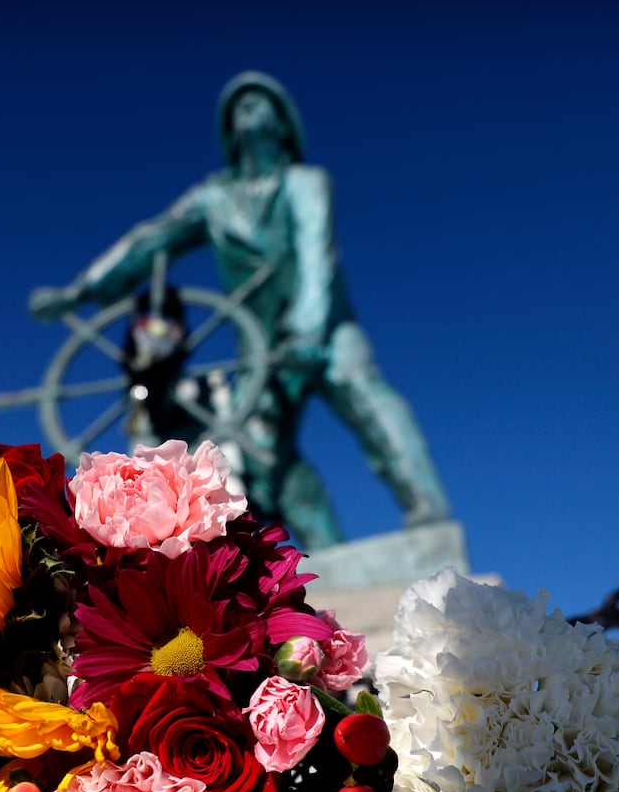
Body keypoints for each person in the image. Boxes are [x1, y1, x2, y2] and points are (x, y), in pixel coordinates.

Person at [30, 71, 450, 550]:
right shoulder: (212, 200)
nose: (249, 108)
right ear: (229, 132)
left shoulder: (305, 183)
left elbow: (317, 255)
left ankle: (428, 512)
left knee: (367, 398)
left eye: (262, 102)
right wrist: (81, 290)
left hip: (325, 330)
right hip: (262, 347)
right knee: (268, 462)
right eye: (239, 106)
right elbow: (149, 240)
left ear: (284, 125)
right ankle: (327, 560)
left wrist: (309, 332)